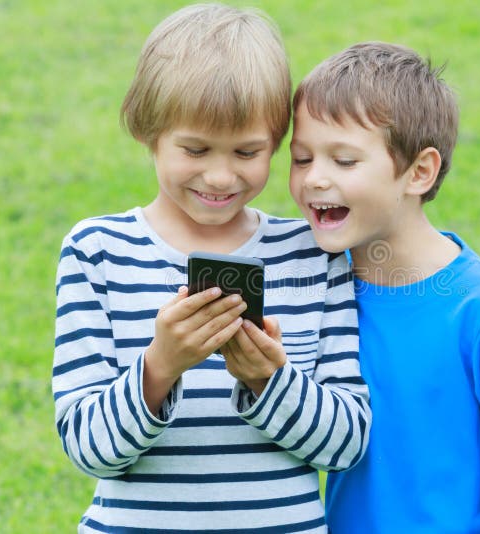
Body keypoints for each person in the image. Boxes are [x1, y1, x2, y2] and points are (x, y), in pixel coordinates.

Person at [52, 5, 370, 532]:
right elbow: (90, 451)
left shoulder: (313, 254)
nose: (220, 176)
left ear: (278, 143)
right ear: (148, 131)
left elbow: (347, 446)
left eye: (248, 151)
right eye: (195, 149)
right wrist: (160, 367)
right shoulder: (97, 251)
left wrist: (270, 380)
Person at [289, 42, 480, 533]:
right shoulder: (319, 297)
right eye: (302, 158)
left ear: (419, 172)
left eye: (344, 161)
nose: (314, 179)